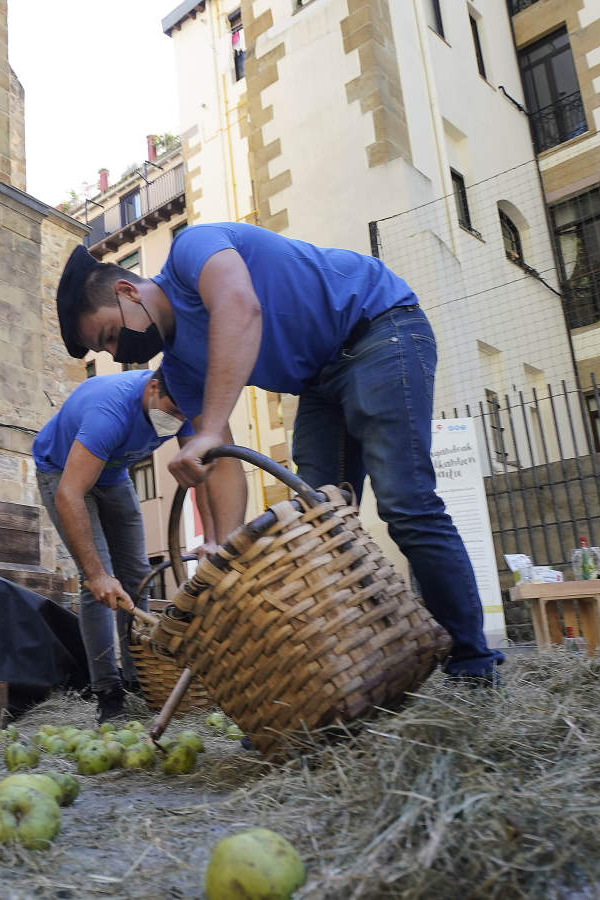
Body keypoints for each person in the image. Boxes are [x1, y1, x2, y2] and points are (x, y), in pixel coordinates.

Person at [55, 224, 505, 683]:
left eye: (110, 335)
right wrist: (223, 552)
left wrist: (209, 428)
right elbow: (223, 462)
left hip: (378, 328)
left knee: (405, 501)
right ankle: (354, 676)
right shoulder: (182, 369)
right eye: (106, 349)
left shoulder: (192, 251)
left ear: (128, 290)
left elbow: (240, 307)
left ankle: (472, 663)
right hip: (319, 383)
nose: (116, 351)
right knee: (317, 527)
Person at [32, 367, 192, 722]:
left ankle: (141, 682)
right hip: (61, 472)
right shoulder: (109, 412)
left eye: (185, 414)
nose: (178, 420)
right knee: (98, 584)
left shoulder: (187, 403)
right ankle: (109, 693)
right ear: (153, 388)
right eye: (174, 410)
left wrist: (213, 539)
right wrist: (97, 575)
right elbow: (69, 495)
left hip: (113, 474)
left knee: (138, 578)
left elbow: (204, 473)